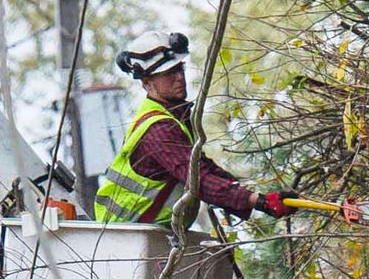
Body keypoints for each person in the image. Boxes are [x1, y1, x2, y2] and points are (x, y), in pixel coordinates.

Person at [93, 31, 352, 224]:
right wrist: (257, 201)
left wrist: (254, 196)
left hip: (148, 231)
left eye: (180, 69)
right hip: (127, 234)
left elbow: (202, 168)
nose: (179, 78)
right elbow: (199, 181)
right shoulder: (158, 129)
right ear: (147, 83)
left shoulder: (171, 117)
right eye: (169, 74)